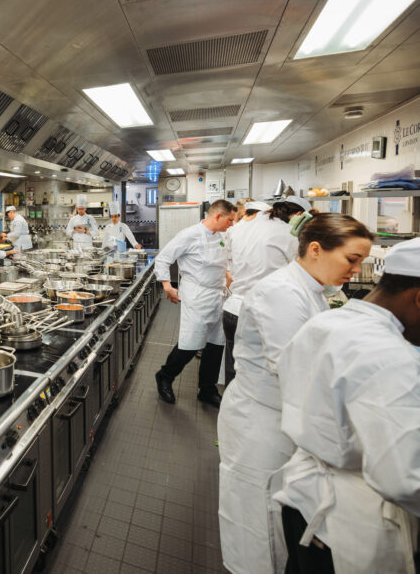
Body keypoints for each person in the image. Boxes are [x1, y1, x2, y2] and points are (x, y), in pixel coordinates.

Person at [274, 237, 420, 574]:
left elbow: (335, 411)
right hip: (349, 522)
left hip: (304, 501)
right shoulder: (396, 359)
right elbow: (407, 481)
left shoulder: (327, 324)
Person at [217, 214, 374, 574]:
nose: (356, 270)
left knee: (274, 515)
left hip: (283, 417)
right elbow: (295, 369)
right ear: (316, 249)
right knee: (259, 518)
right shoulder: (282, 293)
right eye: (352, 259)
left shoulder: (310, 290)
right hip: (261, 421)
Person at [153, 199, 237, 406]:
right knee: (190, 344)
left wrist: (229, 278)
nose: (232, 224)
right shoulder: (189, 235)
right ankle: (165, 376)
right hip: (197, 295)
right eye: (230, 220)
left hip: (218, 295)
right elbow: (163, 259)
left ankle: (207, 390)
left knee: (216, 346)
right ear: (218, 216)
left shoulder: (221, 237)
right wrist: (167, 286)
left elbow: (222, 264)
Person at [221, 198, 304, 384]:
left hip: (234, 309)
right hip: (264, 312)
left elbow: (230, 266)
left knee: (234, 371)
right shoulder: (287, 234)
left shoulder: (238, 230)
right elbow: (303, 271)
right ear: (299, 215)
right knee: (260, 375)